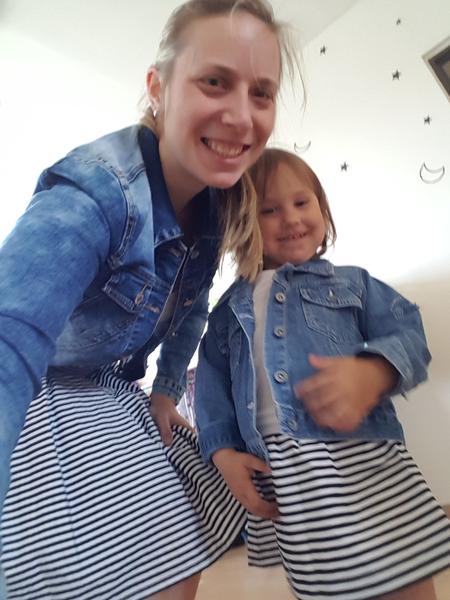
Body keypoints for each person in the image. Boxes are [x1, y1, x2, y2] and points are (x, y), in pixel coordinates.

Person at [0, 2, 302, 598]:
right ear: (158, 87)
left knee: (184, 538)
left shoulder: (214, 207)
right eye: (214, 81)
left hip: (113, 386)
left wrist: (165, 392)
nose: (241, 116)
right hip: (44, 392)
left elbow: (192, 307)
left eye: (261, 93)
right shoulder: (95, 193)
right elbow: (11, 336)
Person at [195, 147, 450, 600]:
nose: (291, 218)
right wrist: (223, 456)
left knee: (404, 571)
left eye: (302, 202)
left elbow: (408, 332)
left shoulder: (352, 283)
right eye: (269, 210)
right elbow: (212, 395)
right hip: (286, 475)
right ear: (241, 225)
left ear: (322, 209)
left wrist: (374, 371)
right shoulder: (226, 312)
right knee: (325, 585)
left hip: (363, 458)